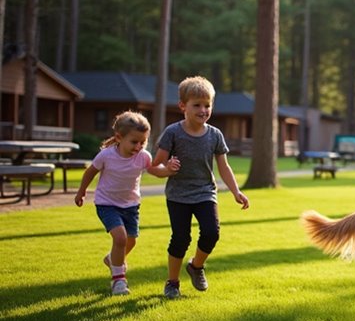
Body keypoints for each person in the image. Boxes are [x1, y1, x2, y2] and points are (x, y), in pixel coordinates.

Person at [152, 76, 250, 299]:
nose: (203, 110)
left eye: (207, 105)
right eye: (197, 105)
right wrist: (167, 169)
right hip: (178, 195)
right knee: (180, 238)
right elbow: (154, 166)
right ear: (183, 106)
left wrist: (236, 191)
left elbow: (223, 167)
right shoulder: (173, 133)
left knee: (211, 233)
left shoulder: (215, 135)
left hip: (205, 192)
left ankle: (196, 266)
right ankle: (173, 283)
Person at [75, 111, 181, 295]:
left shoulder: (143, 156)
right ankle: (119, 280)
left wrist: (169, 170)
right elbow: (90, 172)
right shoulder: (106, 156)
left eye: (143, 142)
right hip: (106, 204)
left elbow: (156, 171)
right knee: (121, 238)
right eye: (134, 142)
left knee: (130, 242)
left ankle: (112, 260)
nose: (139, 146)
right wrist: (82, 191)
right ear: (119, 137)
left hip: (131, 206)